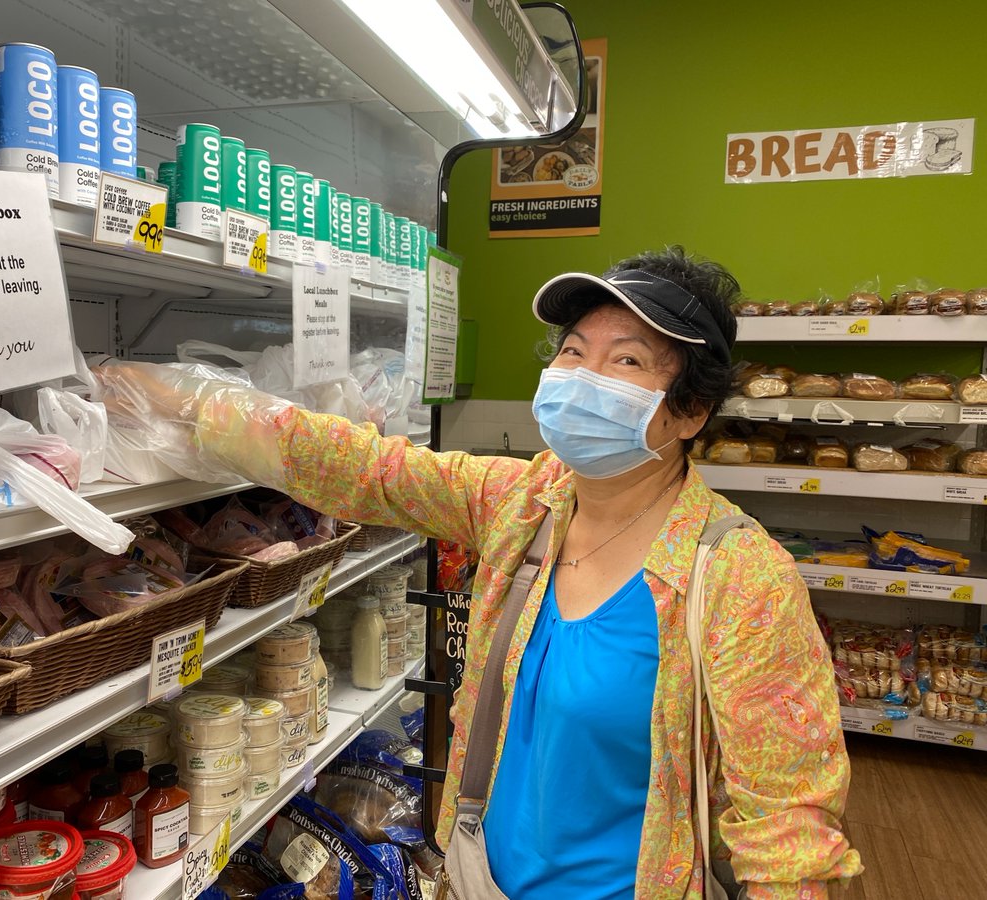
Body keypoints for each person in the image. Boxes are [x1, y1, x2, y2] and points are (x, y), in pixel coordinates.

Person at [93, 245, 862, 898]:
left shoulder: (740, 578)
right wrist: (180, 401)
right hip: (474, 875)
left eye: (625, 361)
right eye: (573, 352)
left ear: (690, 414)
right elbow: (362, 467)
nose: (581, 377)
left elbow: (785, 829)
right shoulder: (524, 503)